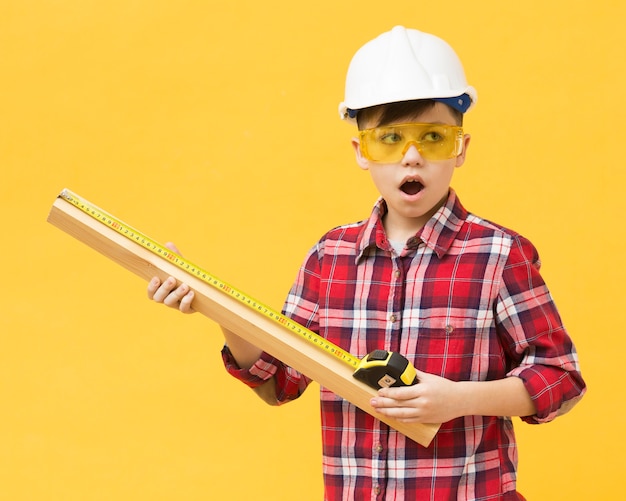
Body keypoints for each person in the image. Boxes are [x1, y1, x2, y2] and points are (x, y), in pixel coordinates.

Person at [147, 26, 586, 500]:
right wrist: (211, 307)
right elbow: (278, 379)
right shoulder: (329, 258)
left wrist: (457, 400)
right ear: (361, 152)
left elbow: (560, 378)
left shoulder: (499, 255)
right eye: (390, 139)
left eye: (433, 138)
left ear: (460, 148)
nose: (412, 158)